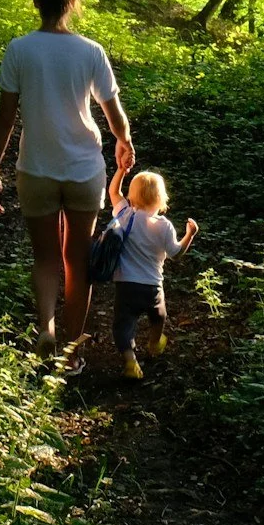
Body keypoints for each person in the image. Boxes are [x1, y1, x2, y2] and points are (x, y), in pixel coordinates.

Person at [0, 0, 134, 364]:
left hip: (35, 169)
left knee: (46, 257)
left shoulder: (19, 49)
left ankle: (45, 328)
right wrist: (124, 142)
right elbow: (114, 113)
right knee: (77, 258)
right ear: (71, 2)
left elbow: (5, 118)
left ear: (37, 2)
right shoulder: (91, 52)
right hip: (84, 169)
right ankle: (70, 350)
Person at [105, 156, 196, 380]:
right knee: (158, 316)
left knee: (123, 325)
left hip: (126, 284)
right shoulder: (164, 226)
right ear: (161, 198)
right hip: (153, 287)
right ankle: (154, 342)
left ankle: (130, 362)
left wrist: (120, 171)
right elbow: (175, 253)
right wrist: (189, 235)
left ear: (131, 196)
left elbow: (113, 193)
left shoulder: (125, 215)